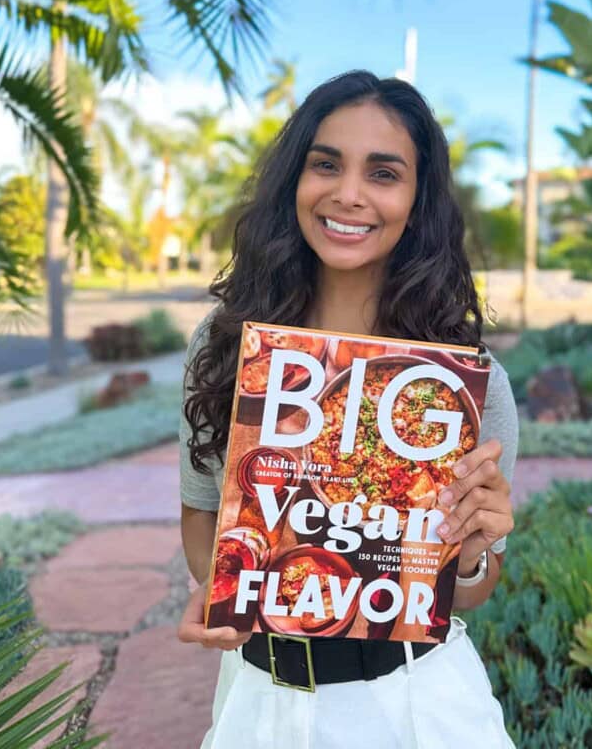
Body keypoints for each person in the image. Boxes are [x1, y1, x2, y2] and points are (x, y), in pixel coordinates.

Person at [178, 70, 518, 749]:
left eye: (383, 173)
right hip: (260, 702)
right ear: (293, 183)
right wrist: (231, 584)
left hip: (419, 707)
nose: (349, 194)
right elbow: (202, 521)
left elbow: (471, 590)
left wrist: (473, 554)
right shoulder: (223, 347)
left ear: (418, 200)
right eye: (326, 164)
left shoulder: (465, 382)